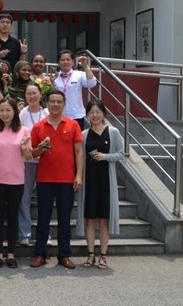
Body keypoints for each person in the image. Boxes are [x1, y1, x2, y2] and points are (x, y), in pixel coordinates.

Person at [29, 90, 84, 270]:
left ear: (64, 104)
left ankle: (64, 254)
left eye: (59, 101)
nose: (55, 104)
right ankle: (40, 254)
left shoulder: (73, 124)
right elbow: (32, 153)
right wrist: (41, 148)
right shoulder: (38, 126)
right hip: (44, 179)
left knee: (64, 219)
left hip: (66, 179)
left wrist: (79, 175)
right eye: (52, 101)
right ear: (47, 104)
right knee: (43, 218)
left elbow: (79, 152)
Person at [76, 99, 124, 270]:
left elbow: (122, 154)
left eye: (98, 112)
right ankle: (90, 255)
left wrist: (105, 157)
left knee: (103, 220)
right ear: (87, 115)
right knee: (89, 219)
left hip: (106, 181)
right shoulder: (84, 134)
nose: (95, 115)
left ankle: (103, 256)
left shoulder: (113, 132)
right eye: (91, 112)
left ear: (104, 113)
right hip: (89, 181)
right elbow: (80, 156)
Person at [0, 98, 31, 269]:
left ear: (15, 112)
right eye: (2, 110)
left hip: (16, 179)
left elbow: (28, 156)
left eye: (8, 110)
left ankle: (11, 254)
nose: (5, 114)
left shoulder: (24, 131)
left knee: (13, 218)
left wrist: (24, 148)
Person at [18, 83, 49, 246]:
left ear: (40, 94)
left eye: (34, 93)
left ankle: (45, 234)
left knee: (45, 198)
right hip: (28, 160)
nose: (32, 96)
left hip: (45, 160)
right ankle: (25, 233)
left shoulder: (47, 113)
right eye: (29, 93)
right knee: (24, 197)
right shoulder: (22, 113)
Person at [53, 50, 97, 130]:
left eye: (68, 59)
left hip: (76, 115)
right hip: (59, 115)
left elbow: (91, 83)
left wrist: (85, 66)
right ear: (58, 63)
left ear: (73, 62)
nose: (65, 62)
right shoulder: (54, 78)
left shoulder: (79, 74)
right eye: (62, 60)